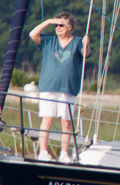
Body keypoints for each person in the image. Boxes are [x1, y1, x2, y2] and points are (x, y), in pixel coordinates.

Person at [29, 12, 91, 162]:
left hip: (68, 87)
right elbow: (33, 34)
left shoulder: (77, 42)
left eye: (61, 25)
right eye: (56, 25)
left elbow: (85, 53)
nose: (58, 28)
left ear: (70, 27)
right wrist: (49, 21)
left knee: (66, 121)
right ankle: (43, 152)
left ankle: (64, 153)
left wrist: (86, 44)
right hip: (48, 86)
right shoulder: (49, 40)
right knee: (47, 119)